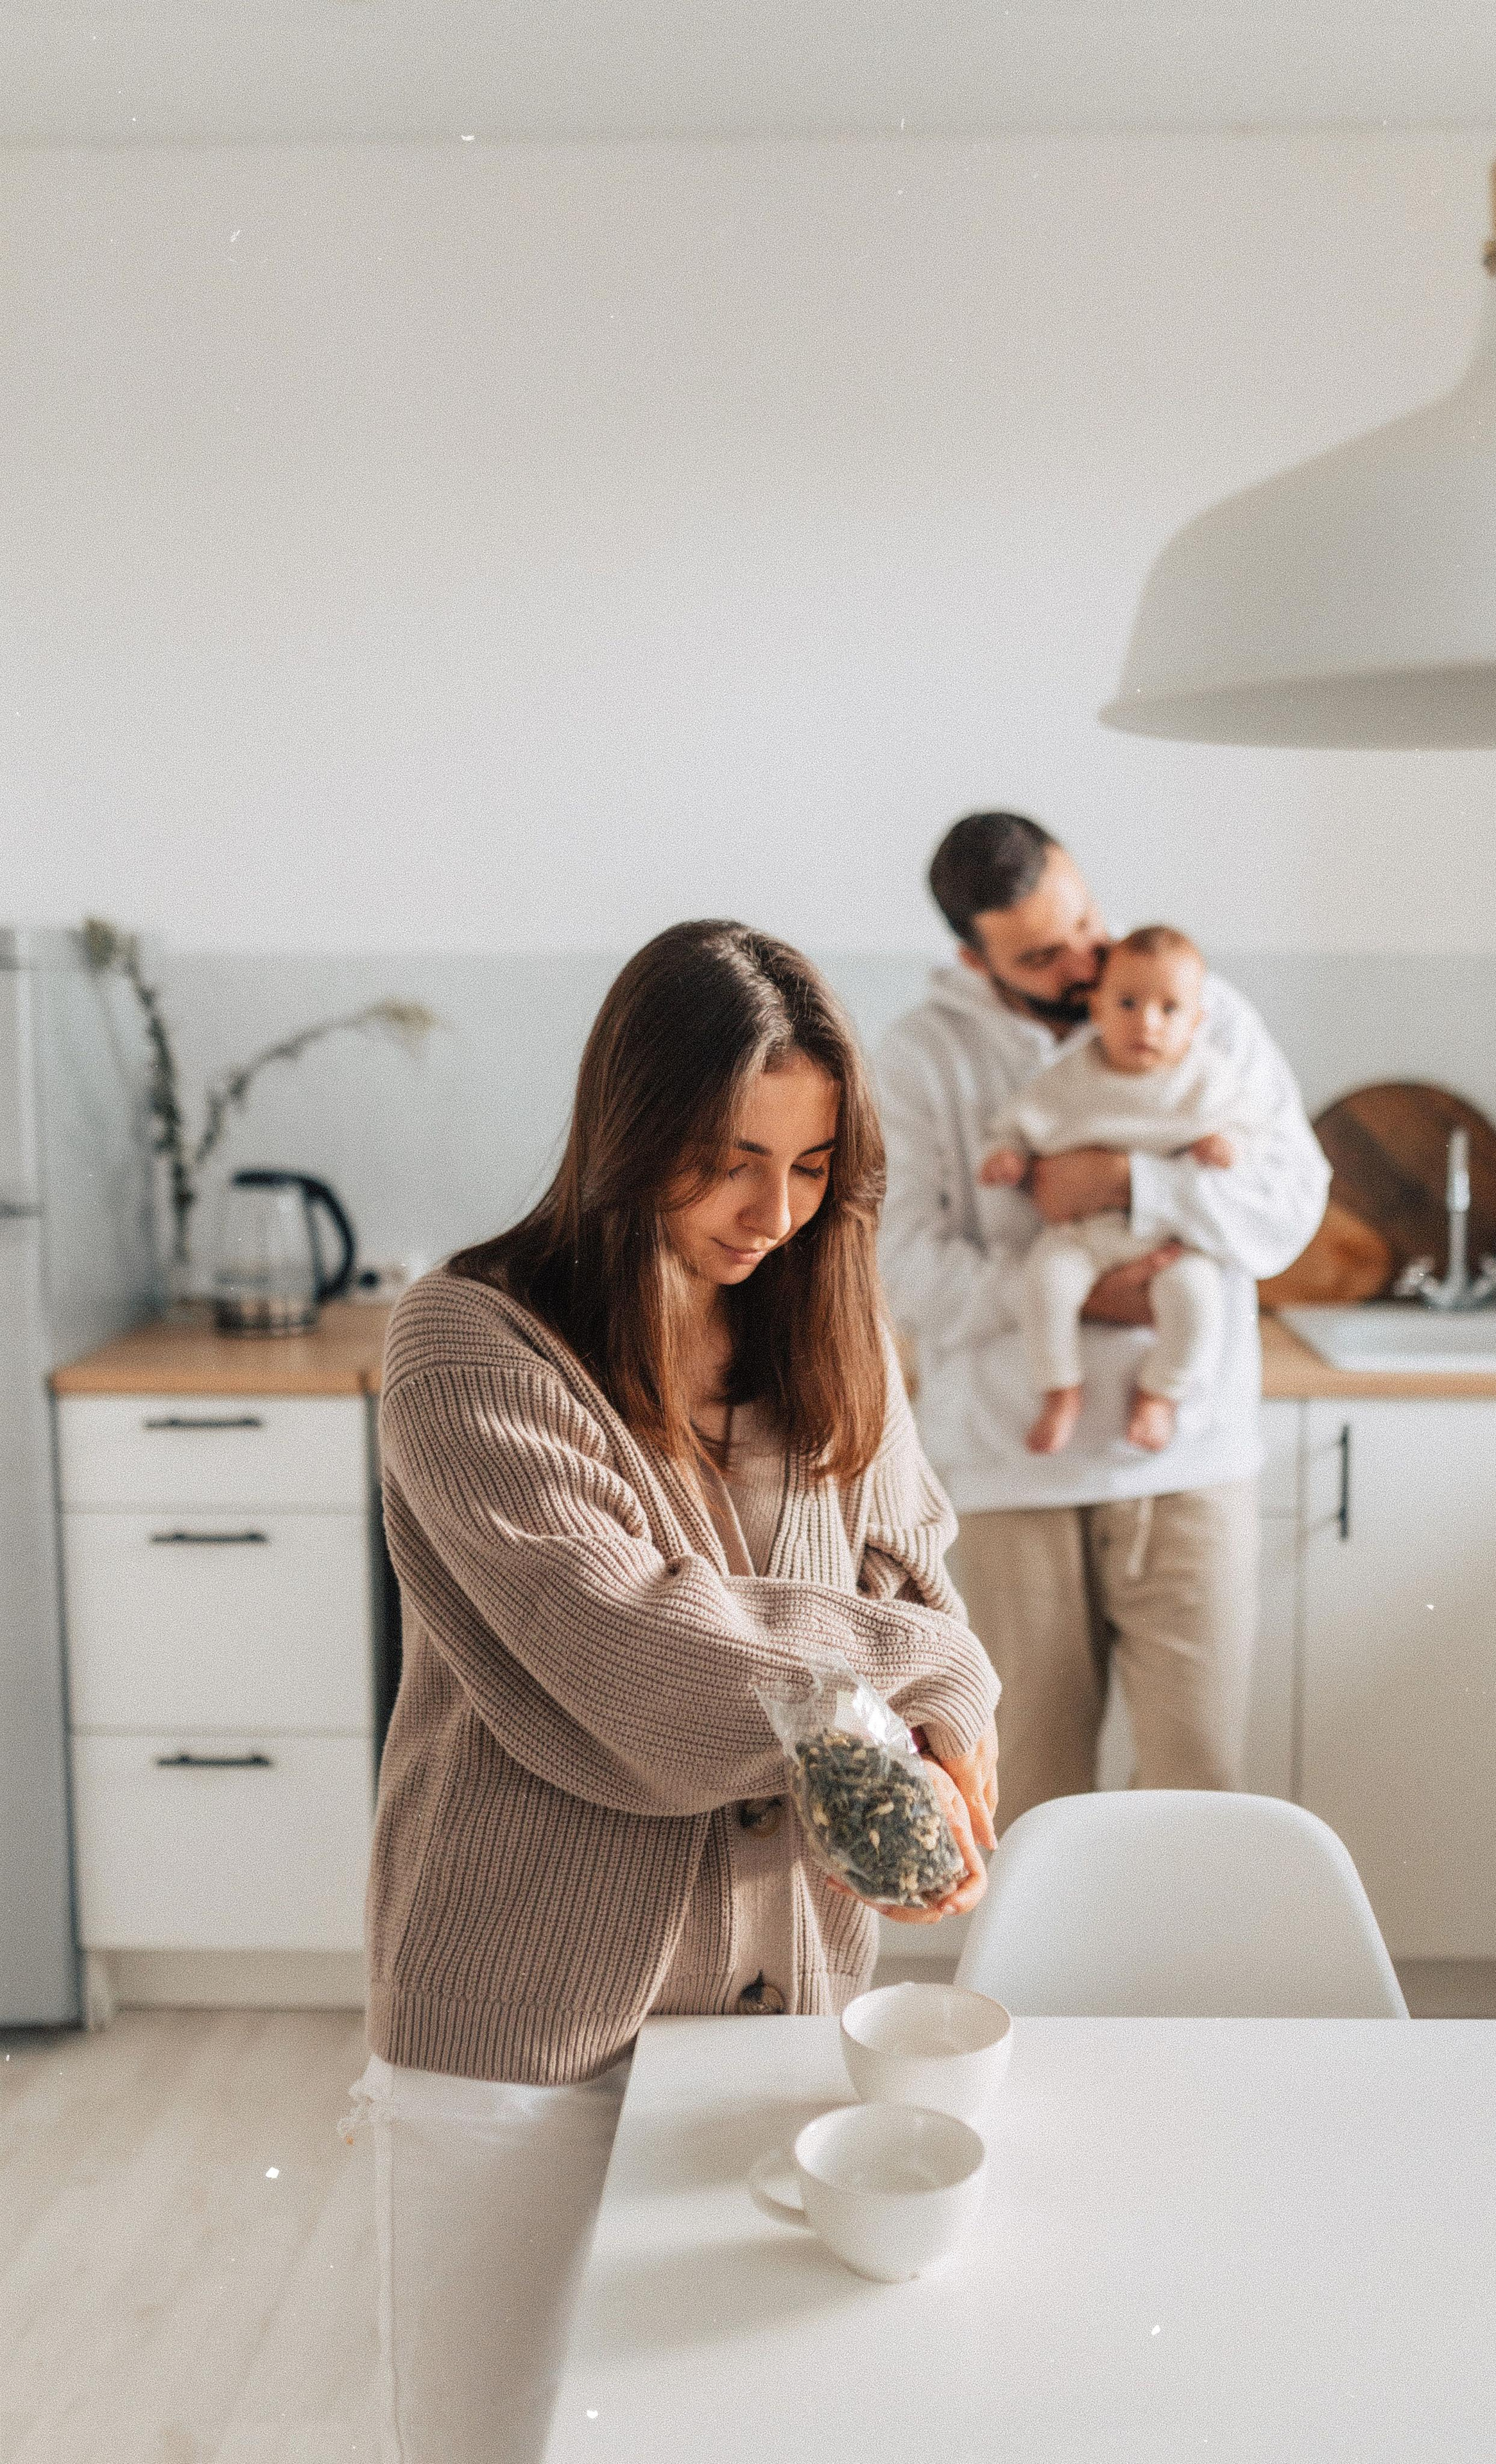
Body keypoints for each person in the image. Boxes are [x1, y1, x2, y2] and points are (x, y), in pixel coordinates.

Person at [348, 920, 999, 2464]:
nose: (772, 1213)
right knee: (493, 2445)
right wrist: (936, 1674)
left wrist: (945, 1730)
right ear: (628, 1130)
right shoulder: (467, 1346)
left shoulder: (829, 1331)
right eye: (727, 1162)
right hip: (522, 2044)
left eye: (811, 1165)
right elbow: (650, 1669)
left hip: (783, 2021)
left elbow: (915, 1582)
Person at [877, 814, 1327, 1831]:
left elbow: (1288, 1206)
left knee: (1198, 1792)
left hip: (1188, 1459)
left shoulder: (1203, 1012)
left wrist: (1130, 1182)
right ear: (974, 959)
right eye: (1042, 955)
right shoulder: (919, 1058)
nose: (1085, 961)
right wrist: (1080, 1291)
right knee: (1027, 1798)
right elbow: (900, 1268)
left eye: (1083, 921)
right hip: (1008, 1472)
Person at [979, 923, 1279, 1457]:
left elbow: (1254, 1134)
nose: (1147, 1023)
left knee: (1197, 1300)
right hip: (1082, 1233)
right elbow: (1017, 1122)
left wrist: (1228, 1144)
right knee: (1045, 1284)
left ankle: (1161, 1393)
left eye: (1170, 1009)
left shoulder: (1208, 1080)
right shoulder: (1070, 1076)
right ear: (1096, 1007)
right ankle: (1061, 1391)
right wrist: (1008, 1154)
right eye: (1127, 1004)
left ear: (1198, 1021)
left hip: (1171, 1242)